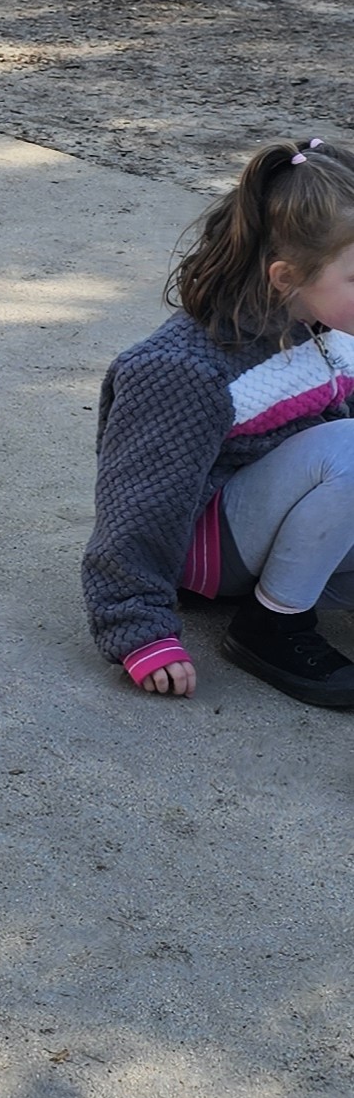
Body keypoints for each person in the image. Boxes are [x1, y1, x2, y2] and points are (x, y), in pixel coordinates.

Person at [84, 140, 354, 710]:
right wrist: (138, 626)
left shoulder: (329, 327)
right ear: (285, 277)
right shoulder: (183, 370)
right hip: (205, 548)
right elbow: (138, 506)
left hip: (286, 515)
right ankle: (271, 626)